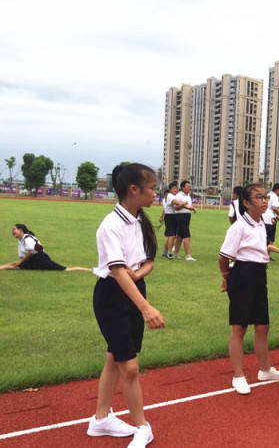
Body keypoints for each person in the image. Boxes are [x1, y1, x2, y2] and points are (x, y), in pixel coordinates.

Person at [87, 163, 165, 448]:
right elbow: (118, 272)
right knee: (129, 367)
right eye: (152, 188)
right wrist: (146, 308)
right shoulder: (111, 225)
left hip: (133, 289)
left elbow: (146, 262)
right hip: (112, 296)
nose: (156, 193)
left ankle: (100, 419)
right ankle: (143, 427)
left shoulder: (139, 221)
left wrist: (138, 275)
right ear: (134, 189)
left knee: (115, 356)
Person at [218, 183, 279, 395]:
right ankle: (238, 375)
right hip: (242, 274)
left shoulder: (261, 224)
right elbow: (223, 257)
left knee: (262, 325)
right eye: (258, 197)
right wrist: (226, 278)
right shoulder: (238, 227)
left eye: (265, 197)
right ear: (246, 203)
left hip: (259, 275)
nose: (264, 201)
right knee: (239, 327)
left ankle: (265, 370)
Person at [0, 224, 90, 271]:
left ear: (20, 230)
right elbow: (23, 255)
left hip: (40, 259)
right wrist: (21, 261)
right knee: (15, 266)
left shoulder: (27, 238)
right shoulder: (21, 240)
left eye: (14, 229)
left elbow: (32, 251)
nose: (12, 231)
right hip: (33, 259)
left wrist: (21, 261)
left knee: (65, 270)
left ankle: (89, 270)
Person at [172, 180, 197, 261]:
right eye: (188, 186)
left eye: (190, 186)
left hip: (187, 216)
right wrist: (183, 205)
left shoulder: (188, 195)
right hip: (180, 216)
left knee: (180, 236)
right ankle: (188, 256)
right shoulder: (179, 196)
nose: (190, 188)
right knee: (187, 236)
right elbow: (175, 208)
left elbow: (188, 205)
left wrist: (192, 208)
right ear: (183, 187)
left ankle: (175, 254)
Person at [262, 183, 279, 262]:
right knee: (270, 239)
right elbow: (274, 208)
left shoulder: (268, 195)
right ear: (277, 190)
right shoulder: (275, 197)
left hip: (264, 217)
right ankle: (277, 253)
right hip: (270, 219)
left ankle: (267, 256)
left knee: (267, 238)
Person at [163, 182, 180, 259]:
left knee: (170, 235)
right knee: (172, 235)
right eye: (174, 188)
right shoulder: (170, 195)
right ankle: (169, 253)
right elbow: (176, 203)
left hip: (172, 216)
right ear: (170, 190)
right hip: (170, 216)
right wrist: (185, 204)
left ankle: (165, 252)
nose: (176, 190)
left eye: (176, 188)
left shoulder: (174, 196)